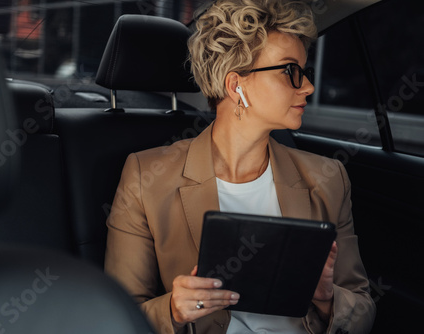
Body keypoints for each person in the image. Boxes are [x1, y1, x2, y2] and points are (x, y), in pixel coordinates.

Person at [104, 0, 376, 333]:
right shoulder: (146, 178)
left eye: (305, 72)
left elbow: (362, 310)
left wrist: (325, 297)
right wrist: (173, 309)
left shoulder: (327, 178)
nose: (308, 86)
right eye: (291, 71)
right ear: (236, 86)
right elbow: (115, 317)